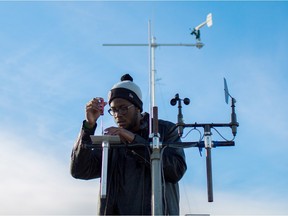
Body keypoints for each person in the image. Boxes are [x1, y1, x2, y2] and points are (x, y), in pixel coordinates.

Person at [70, 74, 187, 215]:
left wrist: (134, 141)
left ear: (138, 107)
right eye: (113, 110)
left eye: (123, 108)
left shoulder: (164, 130)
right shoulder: (111, 141)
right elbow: (79, 170)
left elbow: (176, 170)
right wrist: (88, 127)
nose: (118, 114)